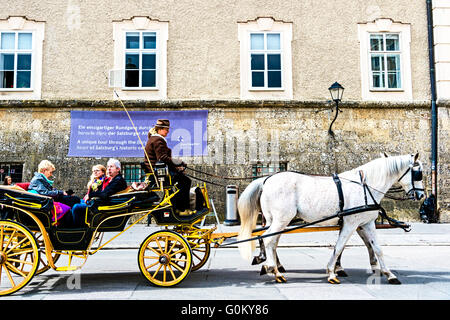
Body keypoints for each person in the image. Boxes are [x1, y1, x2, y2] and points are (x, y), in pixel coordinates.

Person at [143, 119, 194, 215]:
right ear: (160, 129)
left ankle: (178, 208)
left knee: (181, 182)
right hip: (158, 173)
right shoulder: (158, 140)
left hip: (159, 171)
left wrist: (177, 168)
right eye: (166, 129)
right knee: (186, 182)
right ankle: (182, 209)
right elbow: (162, 158)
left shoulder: (154, 139)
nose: (168, 131)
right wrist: (179, 163)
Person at [28, 160, 77, 226]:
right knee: (70, 203)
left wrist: (61, 193)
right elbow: (45, 193)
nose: (51, 174)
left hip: (45, 200)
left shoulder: (40, 179)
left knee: (71, 199)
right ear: (44, 170)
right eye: (50, 172)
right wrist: (60, 192)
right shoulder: (38, 179)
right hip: (43, 202)